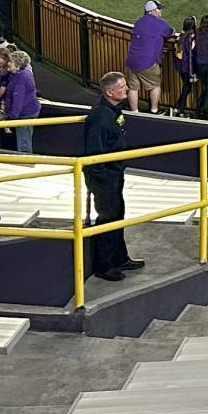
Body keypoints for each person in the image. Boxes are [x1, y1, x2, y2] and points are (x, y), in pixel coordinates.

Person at [81, 71, 142, 284]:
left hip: (114, 173)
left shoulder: (113, 110)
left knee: (117, 214)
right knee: (107, 218)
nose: (127, 89)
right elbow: (94, 151)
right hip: (104, 177)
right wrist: (103, 176)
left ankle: (119, 258)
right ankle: (104, 266)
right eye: (122, 86)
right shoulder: (100, 116)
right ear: (109, 91)